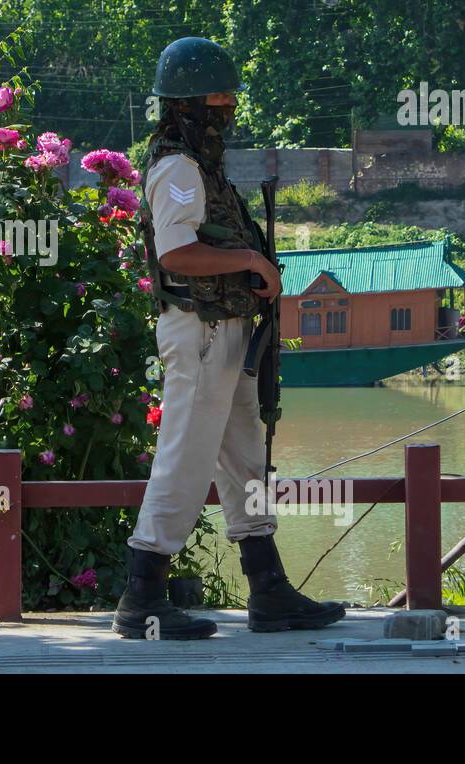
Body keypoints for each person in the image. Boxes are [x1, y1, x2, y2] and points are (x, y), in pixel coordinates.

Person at [111, 37, 347, 639]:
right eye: (221, 95)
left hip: (225, 334)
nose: (231, 105)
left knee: (249, 461)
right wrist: (251, 259)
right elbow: (178, 253)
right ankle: (142, 596)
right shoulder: (179, 167)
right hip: (201, 334)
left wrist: (250, 273)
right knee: (185, 461)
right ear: (190, 102)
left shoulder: (197, 164)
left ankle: (268, 590)